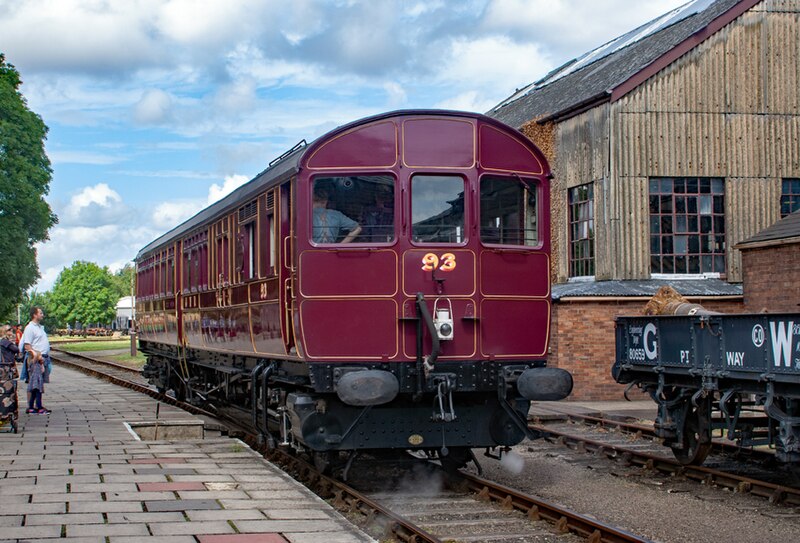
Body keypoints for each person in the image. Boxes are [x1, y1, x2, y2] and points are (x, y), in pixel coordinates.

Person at [20, 306, 51, 415]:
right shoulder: (30, 328)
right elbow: (27, 346)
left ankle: (33, 406)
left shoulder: (39, 327)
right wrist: (37, 357)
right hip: (36, 359)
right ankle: (37, 407)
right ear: (34, 315)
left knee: (37, 383)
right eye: (41, 313)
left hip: (42, 358)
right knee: (36, 383)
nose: (42, 315)